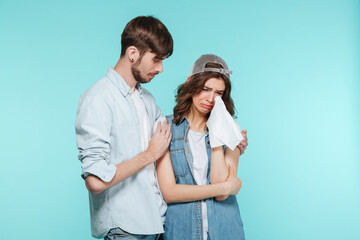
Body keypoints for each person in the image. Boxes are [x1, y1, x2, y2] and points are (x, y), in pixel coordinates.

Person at [75, 16, 174, 240]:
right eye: (156, 59)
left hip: (159, 222)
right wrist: (149, 155)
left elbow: (172, 134)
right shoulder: (97, 99)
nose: (160, 69)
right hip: (126, 230)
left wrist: (225, 137)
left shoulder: (147, 99)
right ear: (133, 54)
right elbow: (95, 182)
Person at [156, 54, 248, 240]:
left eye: (219, 93)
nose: (211, 98)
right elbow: (169, 192)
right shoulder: (165, 128)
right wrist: (224, 188)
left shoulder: (231, 131)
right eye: (205, 89)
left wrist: (217, 136)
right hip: (181, 231)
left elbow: (222, 193)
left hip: (226, 230)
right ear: (191, 83)